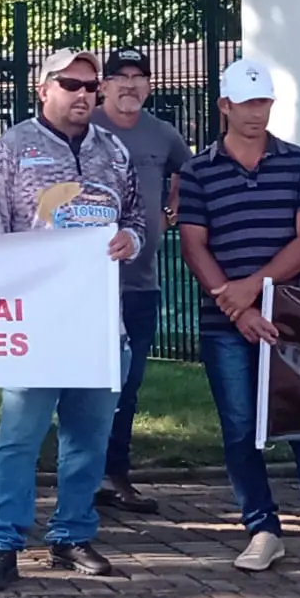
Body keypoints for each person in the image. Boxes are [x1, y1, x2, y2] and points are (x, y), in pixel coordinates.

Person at [178, 58, 300, 584]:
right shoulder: (199, 170)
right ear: (224, 105)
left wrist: (255, 292)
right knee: (241, 429)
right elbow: (193, 244)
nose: (256, 114)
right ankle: (261, 528)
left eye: (263, 102)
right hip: (227, 321)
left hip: (291, 318)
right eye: (246, 103)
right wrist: (237, 304)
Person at [0, 49, 143, 592]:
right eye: (70, 84)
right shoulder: (12, 148)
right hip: (34, 323)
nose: (83, 94)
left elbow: (136, 216)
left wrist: (131, 239)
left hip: (97, 323)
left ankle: (71, 534)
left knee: (89, 438)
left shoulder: (113, 150)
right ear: (42, 89)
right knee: (19, 436)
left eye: (92, 86)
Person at [92, 46, 192, 514]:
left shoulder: (162, 133)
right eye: (120, 77)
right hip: (87, 282)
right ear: (104, 85)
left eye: (138, 77)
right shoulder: (87, 128)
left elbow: (189, 175)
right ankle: (83, 478)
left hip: (140, 281)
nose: (130, 85)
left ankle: (115, 476)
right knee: (84, 384)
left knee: (128, 384)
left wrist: (169, 211)